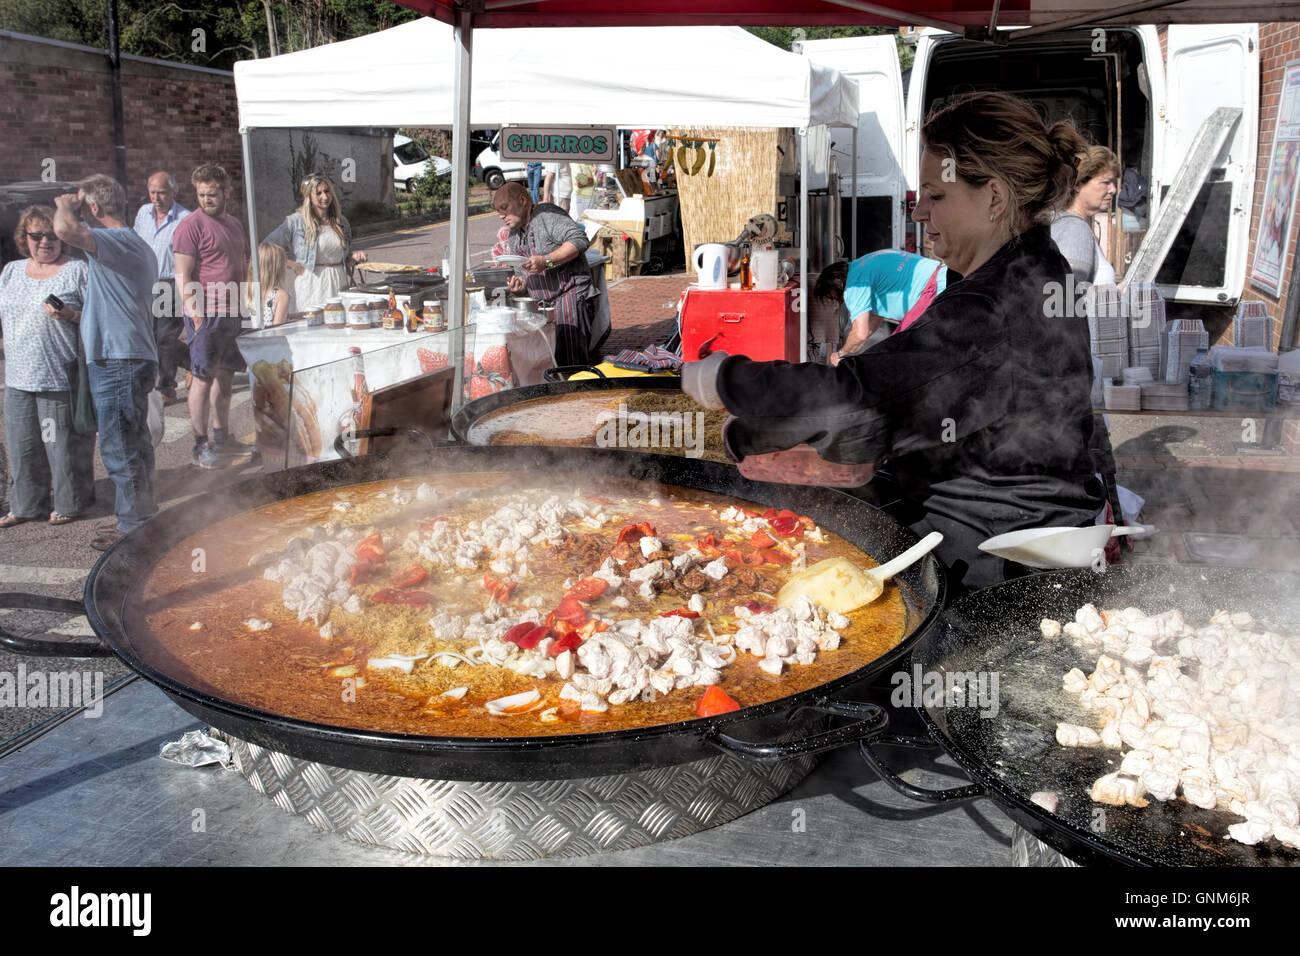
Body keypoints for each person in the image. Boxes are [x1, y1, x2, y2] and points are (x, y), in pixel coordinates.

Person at [683, 91, 1104, 592]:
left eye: (937, 195)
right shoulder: (1037, 265)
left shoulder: (995, 304)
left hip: (997, 565)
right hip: (1015, 532)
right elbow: (922, 386)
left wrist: (723, 382)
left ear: (994, 196)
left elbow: (858, 404)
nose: (920, 211)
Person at [52, 176, 159, 550]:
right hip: (125, 356)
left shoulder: (118, 241)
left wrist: (66, 204)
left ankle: (136, 529)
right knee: (135, 444)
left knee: (121, 447)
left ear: (94, 209)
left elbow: (65, 229)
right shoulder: (127, 247)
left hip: (119, 359)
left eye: (86, 207)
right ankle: (141, 519)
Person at [0, 205, 95, 527]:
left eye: (52, 235)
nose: (45, 242)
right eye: (37, 235)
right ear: (24, 238)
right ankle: (26, 505)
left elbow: (98, 319)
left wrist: (69, 314)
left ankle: (72, 502)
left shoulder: (77, 270)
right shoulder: (11, 271)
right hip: (18, 376)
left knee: (61, 447)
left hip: (58, 375)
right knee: (23, 446)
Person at [172, 163, 251, 470]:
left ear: (226, 192)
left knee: (227, 375)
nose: (206, 199)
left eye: (212, 194)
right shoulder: (190, 226)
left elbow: (240, 264)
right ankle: (199, 444)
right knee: (202, 379)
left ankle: (222, 436)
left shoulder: (233, 224)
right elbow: (182, 273)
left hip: (232, 310)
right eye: (202, 194)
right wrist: (193, 311)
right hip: (206, 314)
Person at [493, 181, 593, 367]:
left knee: (571, 363)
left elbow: (579, 240)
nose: (501, 215)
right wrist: (520, 288)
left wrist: (546, 260)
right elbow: (521, 273)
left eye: (504, 208)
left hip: (569, 297)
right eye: (498, 210)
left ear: (523, 200)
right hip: (543, 307)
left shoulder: (546, 215)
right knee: (546, 363)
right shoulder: (514, 236)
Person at [816, 250, 947, 365]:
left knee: (904, 354)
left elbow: (860, 334)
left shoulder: (854, 285)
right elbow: (871, 325)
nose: (839, 301)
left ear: (837, 282)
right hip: (944, 276)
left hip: (932, 292)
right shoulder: (865, 262)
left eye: (833, 297)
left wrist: (840, 354)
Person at [264, 174, 366, 313]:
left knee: (338, 326)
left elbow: (343, 257)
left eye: (327, 191)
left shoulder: (341, 222)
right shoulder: (296, 222)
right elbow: (265, 248)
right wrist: (292, 265)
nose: (324, 196)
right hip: (311, 285)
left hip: (338, 283)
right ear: (309, 197)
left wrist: (353, 257)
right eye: (318, 193)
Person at [132, 171, 189, 402]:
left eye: (162, 192)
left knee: (165, 337)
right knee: (150, 336)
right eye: (152, 192)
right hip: (145, 282)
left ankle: (166, 387)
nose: (156, 197)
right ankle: (192, 362)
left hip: (170, 282)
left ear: (173, 192)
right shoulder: (143, 213)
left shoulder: (185, 218)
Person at [1050, 144, 1119, 288]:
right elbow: (1065, 298)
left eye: (1113, 182)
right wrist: (1114, 297)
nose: (1113, 189)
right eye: (1106, 182)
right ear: (1077, 184)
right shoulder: (1075, 229)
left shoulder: (1070, 224)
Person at [245, 243, 291, 328]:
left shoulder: (248, 290)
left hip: (249, 338)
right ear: (278, 268)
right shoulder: (281, 296)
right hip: (269, 340)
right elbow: (277, 330)